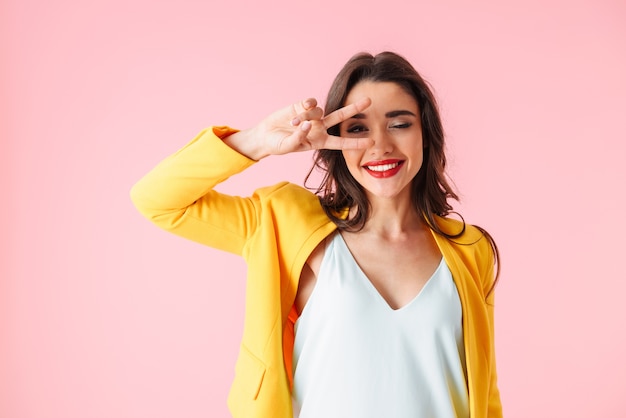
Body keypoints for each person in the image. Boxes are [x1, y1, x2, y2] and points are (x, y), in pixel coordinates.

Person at [131, 51, 502, 418]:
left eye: (399, 123)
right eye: (358, 127)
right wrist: (257, 141)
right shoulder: (287, 224)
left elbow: (484, 393)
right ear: (335, 140)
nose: (380, 145)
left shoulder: (471, 250)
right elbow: (158, 200)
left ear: (426, 134)